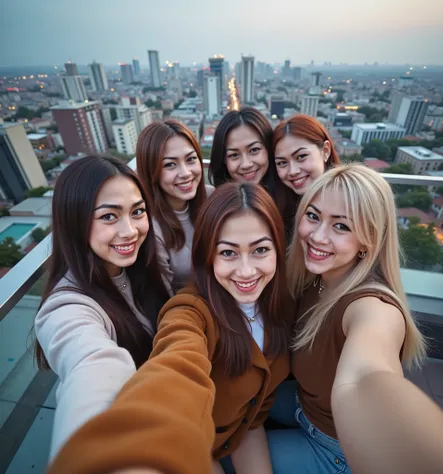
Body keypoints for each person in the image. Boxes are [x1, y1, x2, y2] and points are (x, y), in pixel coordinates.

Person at [47, 183, 294, 474]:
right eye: (228, 253)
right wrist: (127, 448)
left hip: (243, 435)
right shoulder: (191, 312)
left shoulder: (281, 304)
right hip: (198, 448)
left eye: (260, 250)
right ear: (207, 256)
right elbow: (176, 366)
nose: (246, 270)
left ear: (279, 249)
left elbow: (253, 419)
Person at [267, 164, 443, 474]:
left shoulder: (372, 307)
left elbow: (366, 376)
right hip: (304, 404)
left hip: (331, 449)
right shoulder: (317, 278)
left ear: (368, 239)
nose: (317, 236)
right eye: (313, 216)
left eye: (341, 226)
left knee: (215, 453)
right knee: (229, 405)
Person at [34, 156, 169, 460]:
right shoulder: (67, 306)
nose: (130, 230)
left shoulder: (140, 264)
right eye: (109, 217)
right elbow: (93, 364)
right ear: (75, 221)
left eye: (138, 212)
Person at [136, 120, 214, 295]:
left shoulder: (212, 197)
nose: (186, 173)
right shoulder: (151, 227)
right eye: (170, 164)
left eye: (191, 159)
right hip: (191, 310)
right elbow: (165, 294)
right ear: (151, 171)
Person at [273, 114, 340, 237]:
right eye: (282, 163)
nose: (293, 171)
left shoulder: (351, 202)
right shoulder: (279, 210)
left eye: (301, 156)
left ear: (325, 151)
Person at [208, 107, 275, 194]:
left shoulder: (289, 199)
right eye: (234, 155)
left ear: (268, 148)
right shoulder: (217, 204)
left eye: (254, 150)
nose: (246, 164)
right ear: (223, 160)